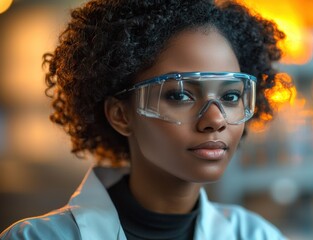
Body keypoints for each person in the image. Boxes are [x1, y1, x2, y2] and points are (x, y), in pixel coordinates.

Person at [1, 0, 290, 239]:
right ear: (120, 114)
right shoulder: (37, 237)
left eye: (230, 97)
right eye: (180, 96)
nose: (215, 120)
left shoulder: (257, 235)